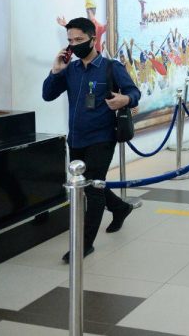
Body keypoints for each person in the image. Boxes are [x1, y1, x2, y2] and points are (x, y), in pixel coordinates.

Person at [42, 17, 141, 263]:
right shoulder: (70, 70)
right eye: (70, 41)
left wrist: (125, 100)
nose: (74, 45)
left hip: (102, 137)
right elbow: (47, 95)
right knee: (88, 184)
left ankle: (83, 245)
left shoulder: (110, 67)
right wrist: (55, 71)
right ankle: (120, 208)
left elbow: (134, 91)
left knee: (92, 192)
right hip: (76, 138)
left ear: (92, 39)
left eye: (79, 40)